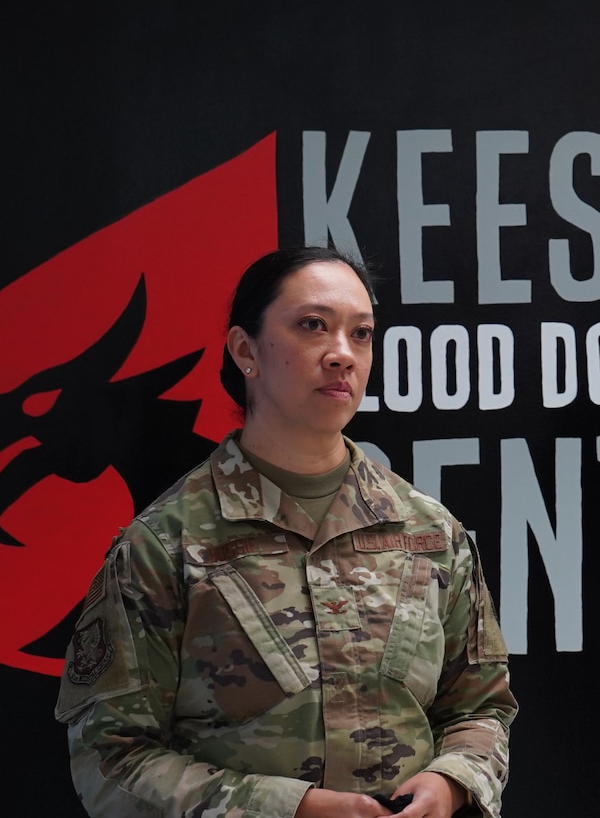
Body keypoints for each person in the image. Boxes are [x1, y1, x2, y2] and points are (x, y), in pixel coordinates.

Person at [56, 247, 516, 818]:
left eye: (363, 333)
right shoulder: (165, 544)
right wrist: (286, 809)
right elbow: (112, 758)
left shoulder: (427, 531)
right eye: (313, 326)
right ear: (246, 350)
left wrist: (453, 782)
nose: (343, 354)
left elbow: (481, 710)